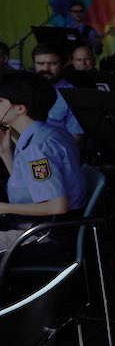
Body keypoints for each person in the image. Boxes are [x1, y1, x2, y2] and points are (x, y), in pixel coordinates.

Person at [0, 71, 86, 255]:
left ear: (20, 109)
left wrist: (3, 208)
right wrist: (5, 153)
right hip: (38, 226)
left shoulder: (38, 147)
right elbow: (30, 185)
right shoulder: (44, 134)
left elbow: (57, 206)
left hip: (42, 233)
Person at [32, 44, 83, 139]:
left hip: (56, 151)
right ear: (33, 64)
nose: (46, 69)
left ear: (62, 65)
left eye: (53, 63)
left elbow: (76, 136)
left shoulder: (72, 93)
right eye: (40, 64)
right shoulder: (25, 88)